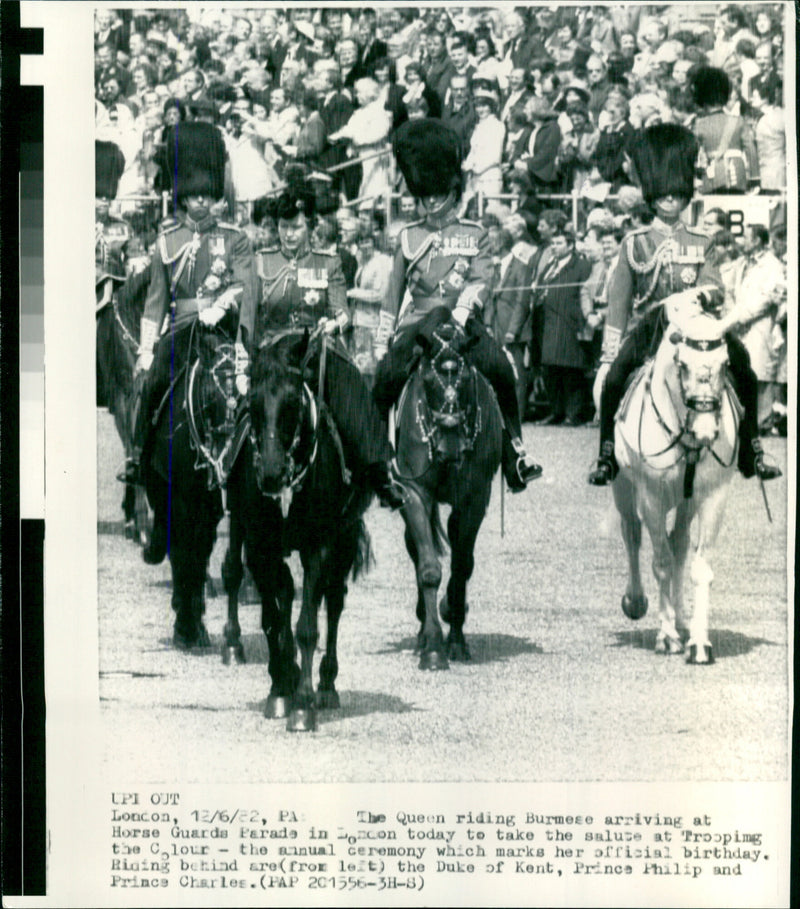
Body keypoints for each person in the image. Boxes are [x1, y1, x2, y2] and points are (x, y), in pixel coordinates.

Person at [588, 122, 781, 486]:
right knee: (614, 380)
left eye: (676, 195)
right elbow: (619, 306)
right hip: (650, 329)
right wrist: (608, 356)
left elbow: (715, 288)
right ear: (653, 195)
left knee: (744, 369)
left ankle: (751, 450)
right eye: (663, 195)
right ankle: (605, 455)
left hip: (698, 326)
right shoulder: (635, 243)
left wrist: (696, 296)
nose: (670, 201)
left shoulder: (701, 240)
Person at [372, 119, 542, 492]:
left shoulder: (474, 233)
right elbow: (393, 292)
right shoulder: (408, 236)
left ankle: (516, 451)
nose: (431, 202)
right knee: (383, 380)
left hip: (464, 326)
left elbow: (482, 278)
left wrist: (464, 309)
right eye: (425, 195)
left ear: (452, 190)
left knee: (501, 369)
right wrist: (384, 335)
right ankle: (378, 459)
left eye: (438, 194)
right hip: (417, 326)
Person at [129, 122, 258, 562]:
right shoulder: (167, 242)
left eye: (207, 194)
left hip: (222, 332)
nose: (201, 201)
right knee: (149, 386)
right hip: (181, 330)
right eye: (194, 194)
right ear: (183, 195)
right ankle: (138, 456)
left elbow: (245, 287)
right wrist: (147, 348)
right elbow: (155, 301)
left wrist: (222, 307)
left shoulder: (235, 239)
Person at [235, 179, 404, 511]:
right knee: (245, 408)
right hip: (274, 354)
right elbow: (248, 316)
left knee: (353, 394)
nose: (290, 234)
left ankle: (377, 470)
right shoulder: (261, 262)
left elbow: (342, 311)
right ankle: (227, 474)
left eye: (297, 227)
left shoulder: (329, 262)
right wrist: (244, 365)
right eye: (284, 227)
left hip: (317, 350)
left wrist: (335, 322)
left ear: (310, 226)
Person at [536, 224, 592, 425]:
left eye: (559, 243)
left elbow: (585, 294)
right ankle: (556, 410)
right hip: (548, 324)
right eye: (552, 243)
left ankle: (573, 413)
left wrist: (579, 318)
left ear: (571, 246)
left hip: (569, 323)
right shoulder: (550, 265)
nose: (554, 247)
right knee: (551, 370)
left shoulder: (581, 266)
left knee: (570, 370)